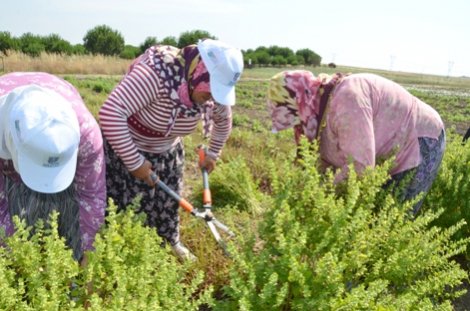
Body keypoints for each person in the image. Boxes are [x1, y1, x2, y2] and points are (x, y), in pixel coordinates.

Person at [99, 39, 243, 260]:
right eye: (210, 93)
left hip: (168, 150)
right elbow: (110, 112)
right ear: (199, 71)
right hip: (126, 146)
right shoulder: (154, 76)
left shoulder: (210, 90)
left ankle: (171, 241)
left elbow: (223, 122)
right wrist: (135, 162)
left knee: (167, 203)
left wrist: (213, 153)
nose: (212, 100)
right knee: (125, 205)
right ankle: (122, 252)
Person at [267, 70, 445, 214]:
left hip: (419, 140)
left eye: (295, 119)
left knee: (393, 218)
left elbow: (361, 168)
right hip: (386, 151)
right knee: (370, 214)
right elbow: (323, 163)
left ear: (300, 103)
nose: (298, 129)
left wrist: (319, 194)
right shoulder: (317, 109)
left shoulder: (346, 100)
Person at [0, 72, 106, 262]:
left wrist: (88, 254)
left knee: (67, 210)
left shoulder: (87, 134)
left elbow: (91, 197)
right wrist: (14, 255)